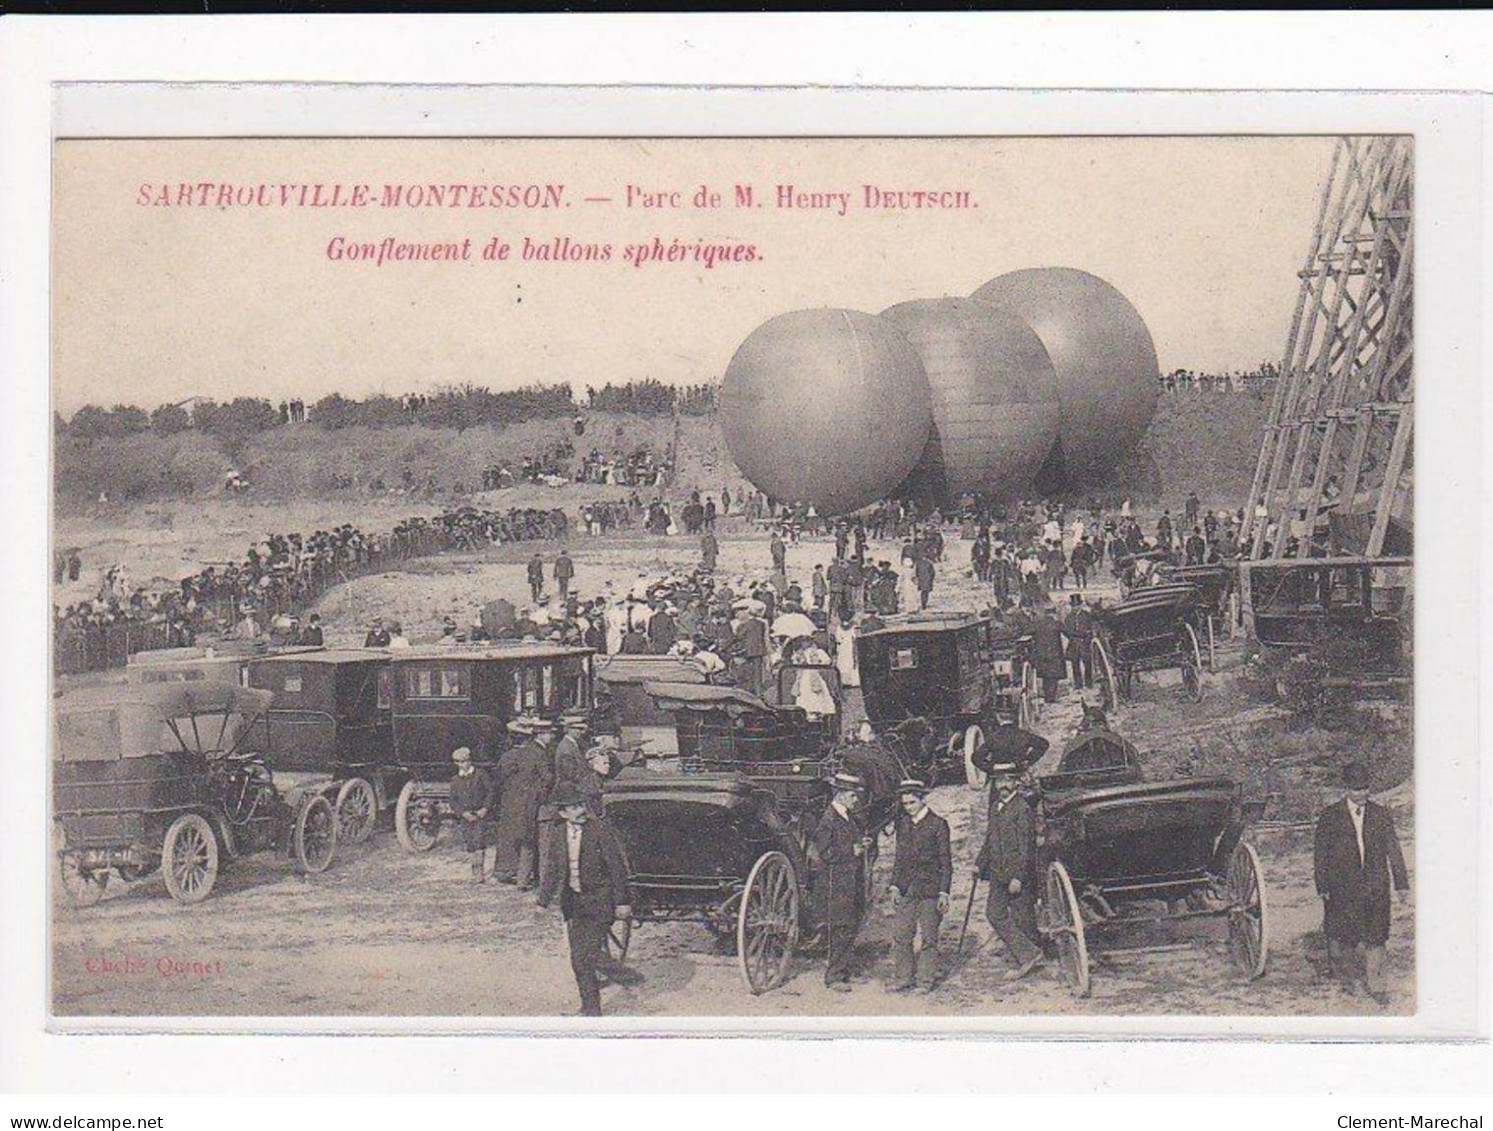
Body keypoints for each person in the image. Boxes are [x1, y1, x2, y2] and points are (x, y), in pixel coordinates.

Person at [1314, 761, 1410, 1004]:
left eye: (1366, 788)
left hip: (1375, 887)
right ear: (1346, 789)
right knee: (1345, 937)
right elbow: (1320, 853)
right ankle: (1349, 982)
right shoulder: (1330, 816)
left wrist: (1401, 884)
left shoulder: (1381, 814)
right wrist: (1322, 885)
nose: (1362, 794)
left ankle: (1377, 987)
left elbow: (1393, 849)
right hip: (1342, 888)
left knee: (1377, 937)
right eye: (1357, 789)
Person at [536, 785, 633, 1016]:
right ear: (562, 813)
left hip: (600, 902)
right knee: (577, 960)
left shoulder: (600, 831)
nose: (580, 810)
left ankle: (620, 972)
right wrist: (542, 901)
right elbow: (551, 870)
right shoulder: (558, 833)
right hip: (574, 904)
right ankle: (591, 1009)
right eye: (574, 807)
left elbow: (617, 867)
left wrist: (622, 901)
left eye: (581, 805)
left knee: (586, 954)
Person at [973, 750, 1045, 980]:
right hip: (997, 873)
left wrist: (1018, 877)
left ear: (1015, 782)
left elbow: (1026, 847)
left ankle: (1029, 958)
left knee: (1023, 918)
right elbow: (989, 838)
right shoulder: (995, 807)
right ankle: (1030, 954)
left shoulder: (1023, 808)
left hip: (1016, 875)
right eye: (999, 781)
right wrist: (978, 864)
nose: (1003, 785)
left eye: (1007, 780)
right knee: (993, 913)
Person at [887, 778, 952, 993]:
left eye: (912, 803)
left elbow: (946, 861)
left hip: (930, 891)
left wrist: (944, 892)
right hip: (907, 889)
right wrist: (895, 885)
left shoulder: (938, 824)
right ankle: (903, 978)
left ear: (922, 800)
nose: (908, 808)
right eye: (905, 804)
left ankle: (925, 981)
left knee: (928, 938)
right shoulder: (904, 824)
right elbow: (899, 858)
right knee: (902, 935)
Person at [810, 771, 872, 992]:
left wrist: (860, 842)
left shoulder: (847, 816)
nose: (857, 800)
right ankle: (834, 977)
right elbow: (825, 852)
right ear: (842, 794)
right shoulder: (829, 818)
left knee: (850, 926)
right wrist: (852, 850)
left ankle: (843, 970)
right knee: (840, 929)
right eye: (853, 796)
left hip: (850, 881)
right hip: (835, 884)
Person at [492, 718, 551, 889]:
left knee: (509, 835)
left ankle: (505, 871)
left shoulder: (507, 756)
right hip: (527, 802)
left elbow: (499, 779)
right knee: (527, 837)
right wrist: (538, 794)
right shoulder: (535, 754)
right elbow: (546, 779)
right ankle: (523, 875)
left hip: (509, 801)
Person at [448, 747, 497, 883]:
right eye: (459, 762)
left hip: (480, 813)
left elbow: (490, 792)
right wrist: (462, 813)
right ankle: (474, 870)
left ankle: (479, 872)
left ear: (470, 761)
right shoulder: (455, 780)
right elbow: (453, 800)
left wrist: (485, 808)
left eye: (465, 761)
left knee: (479, 841)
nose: (463, 765)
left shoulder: (481, 774)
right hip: (466, 816)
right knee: (469, 843)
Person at [1032, 604, 1066, 703]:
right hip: (1055, 654)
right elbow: (1068, 632)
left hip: (1042, 654)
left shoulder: (1038, 624)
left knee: (1045, 676)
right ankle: (1051, 698)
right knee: (1054, 677)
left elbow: (1029, 632)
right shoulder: (1056, 623)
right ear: (1053, 613)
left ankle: (1047, 696)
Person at [1063, 594, 1094, 690]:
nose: (1075, 607)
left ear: (1081, 605)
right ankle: (1078, 683)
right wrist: (1073, 637)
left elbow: (1091, 629)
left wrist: (1086, 637)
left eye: (1077, 605)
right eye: (1073, 606)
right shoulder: (1068, 617)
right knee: (1075, 664)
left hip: (1085, 642)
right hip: (1073, 643)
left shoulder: (1087, 615)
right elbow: (1067, 631)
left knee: (1087, 663)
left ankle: (1088, 683)